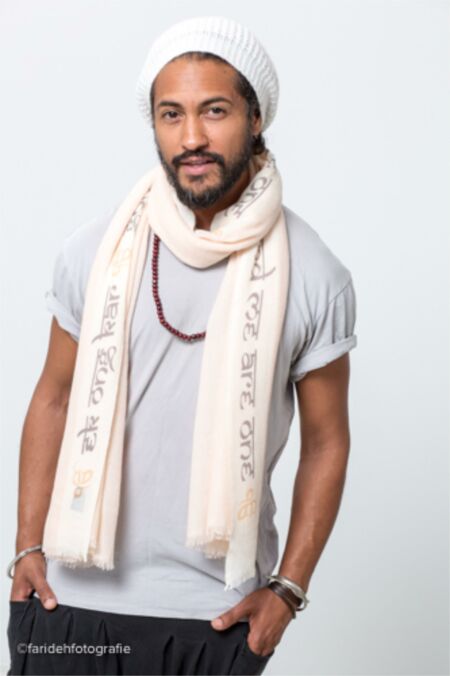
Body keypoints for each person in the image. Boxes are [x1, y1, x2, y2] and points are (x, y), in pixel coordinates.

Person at [6, 15, 358, 676]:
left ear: (256, 117)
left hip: (215, 620)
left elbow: (327, 442)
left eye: (214, 111)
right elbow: (54, 396)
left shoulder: (314, 273)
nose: (191, 137)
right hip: (68, 605)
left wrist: (288, 590)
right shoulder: (93, 251)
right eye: (171, 115)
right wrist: (26, 547)